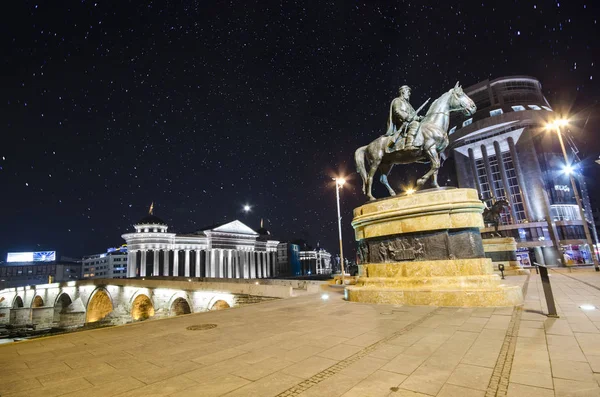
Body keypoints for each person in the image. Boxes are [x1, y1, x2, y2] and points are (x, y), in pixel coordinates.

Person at [385, 85, 423, 150]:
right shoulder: (397, 100)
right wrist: (407, 117)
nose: (409, 94)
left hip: (409, 123)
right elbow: (397, 111)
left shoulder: (408, 105)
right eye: (408, 92)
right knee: (415, 124)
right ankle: (409, 145)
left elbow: (413, 115)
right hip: (402, 125)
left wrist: (419, 118)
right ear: (403, 92)